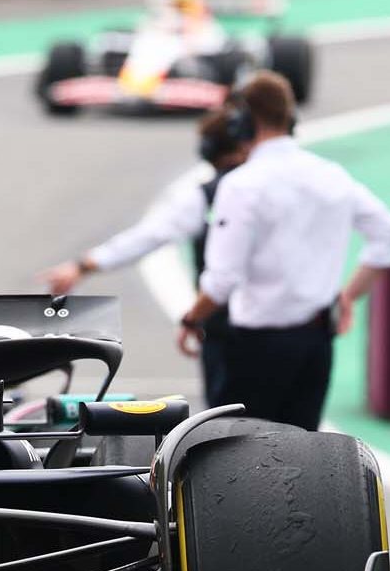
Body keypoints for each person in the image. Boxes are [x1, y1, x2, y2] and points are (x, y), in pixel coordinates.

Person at [178, 71, 390, 430]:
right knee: (303, 451)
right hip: (316, 341)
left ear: (243, 123)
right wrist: (347, 296)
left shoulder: (241, 185)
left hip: (255, 346)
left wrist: (192, 319)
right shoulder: (331, 175)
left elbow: (223, 279)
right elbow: (388, 234)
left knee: (236, 452)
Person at [40, 110, 255, 403]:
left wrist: (83, 266)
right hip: (303, 330)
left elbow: (150, 236)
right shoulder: (294, 185)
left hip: (232, 332)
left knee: (235, 420)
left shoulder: (206, 197)